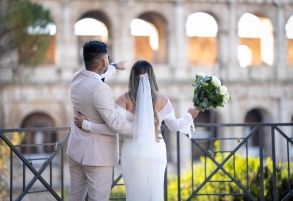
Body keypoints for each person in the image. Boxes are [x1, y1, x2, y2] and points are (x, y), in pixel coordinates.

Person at [75, 60, 199, 201]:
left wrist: (86, 124)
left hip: (133, 154)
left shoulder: (124, 100)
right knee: (155, 193)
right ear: (152, 76)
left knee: (135, 194)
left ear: (132, 77)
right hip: (156, 153)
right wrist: (190, 115)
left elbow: (111, 128)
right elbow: (175, 126)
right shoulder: (163, 99)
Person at [66, 40, 134, 201]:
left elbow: (98, 77)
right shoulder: (101, 89)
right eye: (108, 59)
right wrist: (142, 129)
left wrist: (115, 66)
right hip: (97, 156)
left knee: (74, 197)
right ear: (103, 61)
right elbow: (115, 124)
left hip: (76, 150)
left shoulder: (77, 78)